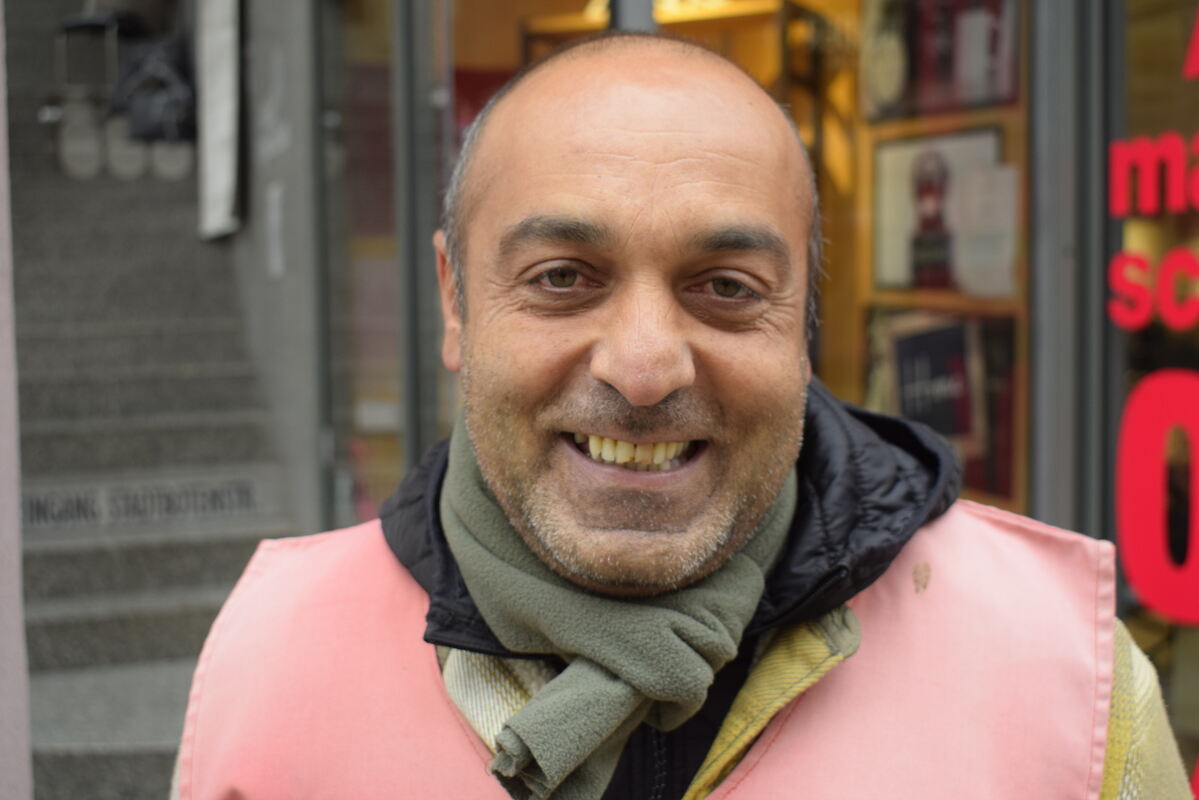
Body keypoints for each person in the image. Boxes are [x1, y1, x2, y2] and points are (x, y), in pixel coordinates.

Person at [172, 32, 1192, 800]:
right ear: (454, 302)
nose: (644, 368)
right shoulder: (276, 653)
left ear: (803, 322)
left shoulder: (1065, 672)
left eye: (725, 287)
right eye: (563, 277)